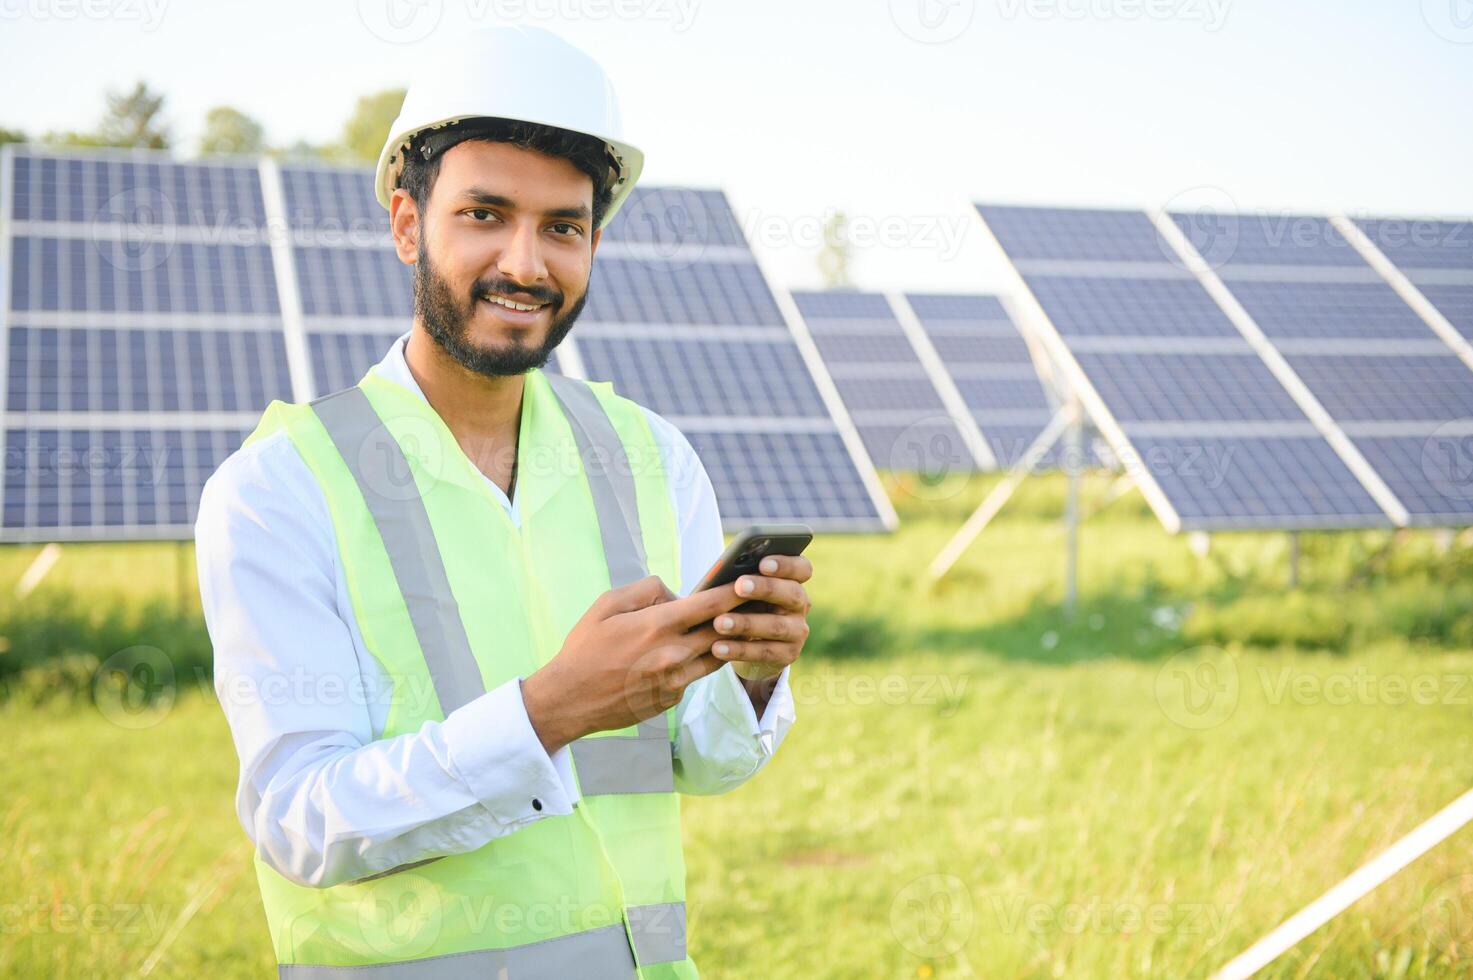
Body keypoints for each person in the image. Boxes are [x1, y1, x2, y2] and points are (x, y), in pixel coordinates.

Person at [195, 25, 813, 978]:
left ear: (594, 241)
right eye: (485, 215)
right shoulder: (280, 489)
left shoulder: (653, 456)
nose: (526, 263)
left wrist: (750, 678)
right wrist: (547, 712)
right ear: (408, 223)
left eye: (562, 227)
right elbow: (300, 820)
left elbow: (702, 760)